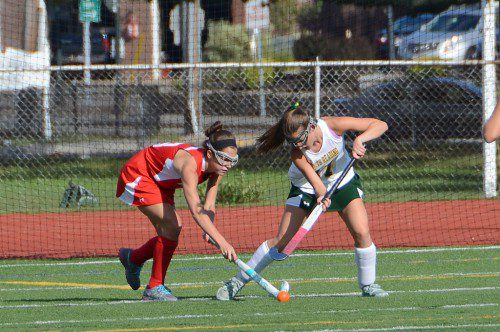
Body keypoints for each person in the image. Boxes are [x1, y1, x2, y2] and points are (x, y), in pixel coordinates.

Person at [216, 102, 389, 300]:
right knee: (281, 241)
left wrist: (361, 139)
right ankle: (237, 282)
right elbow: (317, 186)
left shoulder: (333, 125)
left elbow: (380, 124)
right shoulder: (297, 153)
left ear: (312, 127)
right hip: (306, 189)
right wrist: (321, 195)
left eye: (300, 139)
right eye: (292, 142)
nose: (297, 145)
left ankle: (368, 285)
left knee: (361, 231)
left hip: (344, 181)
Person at [117, 121, 239, 301]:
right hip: (140, 174)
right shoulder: (190, 165)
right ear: (211, 153)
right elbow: (197, 211)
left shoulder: (217, 167)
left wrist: (210, 228)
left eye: (232, 161)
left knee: (169, 231)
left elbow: (209, 205)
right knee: (173, 225)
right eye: (225, 159)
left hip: (163, 183)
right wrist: (222, 242)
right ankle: (154, 287)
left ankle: (134, 258)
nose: (228, 165)